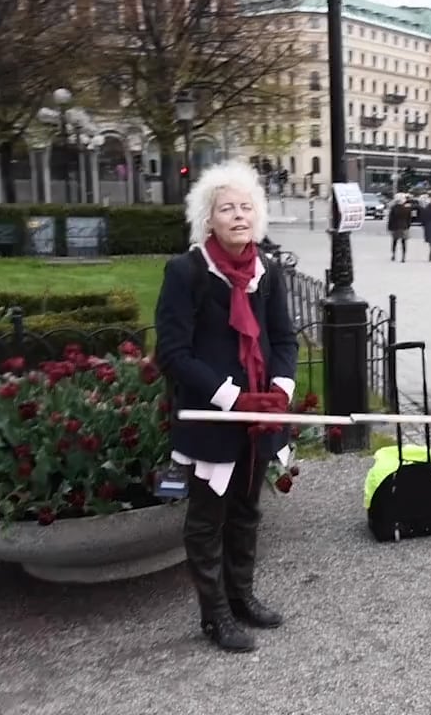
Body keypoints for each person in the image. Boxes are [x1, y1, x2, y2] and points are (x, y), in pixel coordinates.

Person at [155, 161, 300, 653]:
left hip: (259, 419)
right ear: (208, 218)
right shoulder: (187, 272)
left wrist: (279, 389)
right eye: (227, 208)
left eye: (246, 207)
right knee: (207, 517)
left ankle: (242, 598)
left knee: (247, 510)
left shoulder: (269, 273)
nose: (239, 215)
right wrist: (230, 396)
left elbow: (284, 339)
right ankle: (214, 615)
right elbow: (173, 354)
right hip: (212, 418)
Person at [387, 193, 413, 262]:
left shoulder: (393, 208)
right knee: (403, 242)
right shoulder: (407, 208)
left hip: (395, 227)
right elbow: (409, 219)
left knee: (394, 242)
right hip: (404, 227)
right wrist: (408, 226)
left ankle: (393, 255)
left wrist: (389, 227)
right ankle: (403, 257)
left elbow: (391, 218)